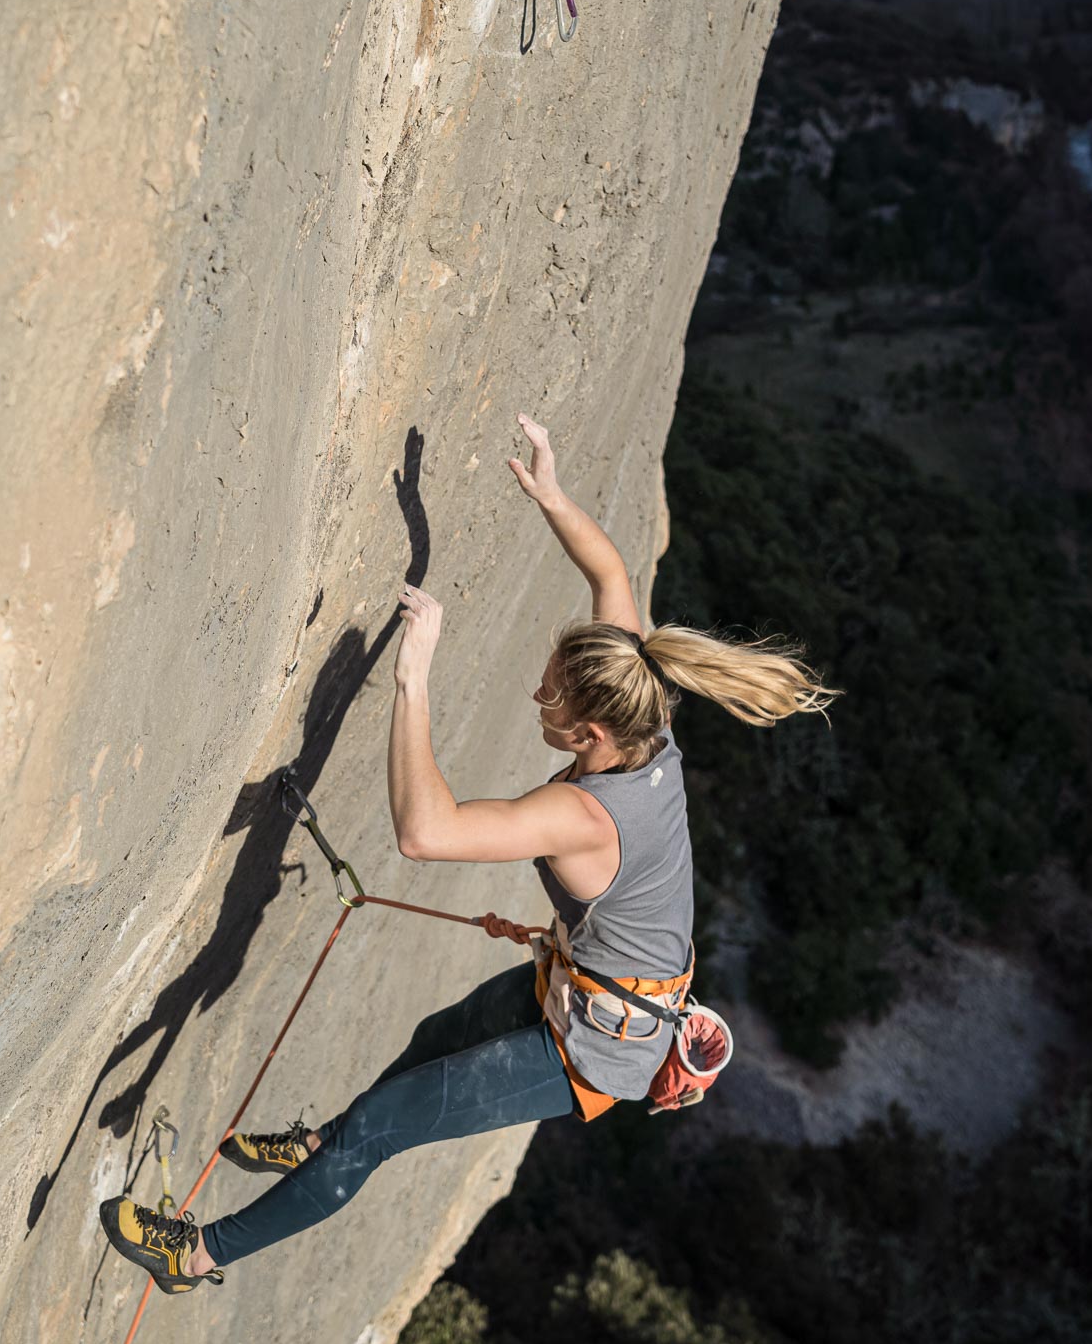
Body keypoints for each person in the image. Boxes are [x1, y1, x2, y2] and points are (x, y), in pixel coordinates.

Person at [99, 413, 838, 1292]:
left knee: (380, 1125)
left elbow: (427, 832)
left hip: (592, 1051)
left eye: (551, 695)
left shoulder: (585, 816)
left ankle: (196, 1252)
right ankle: (318, 1147)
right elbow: (608, 571)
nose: (537, 693)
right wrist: (552, 494)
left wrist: (414, 678)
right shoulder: (645, 717)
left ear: (591, 734)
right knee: (431, 1041)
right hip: (586, 988)